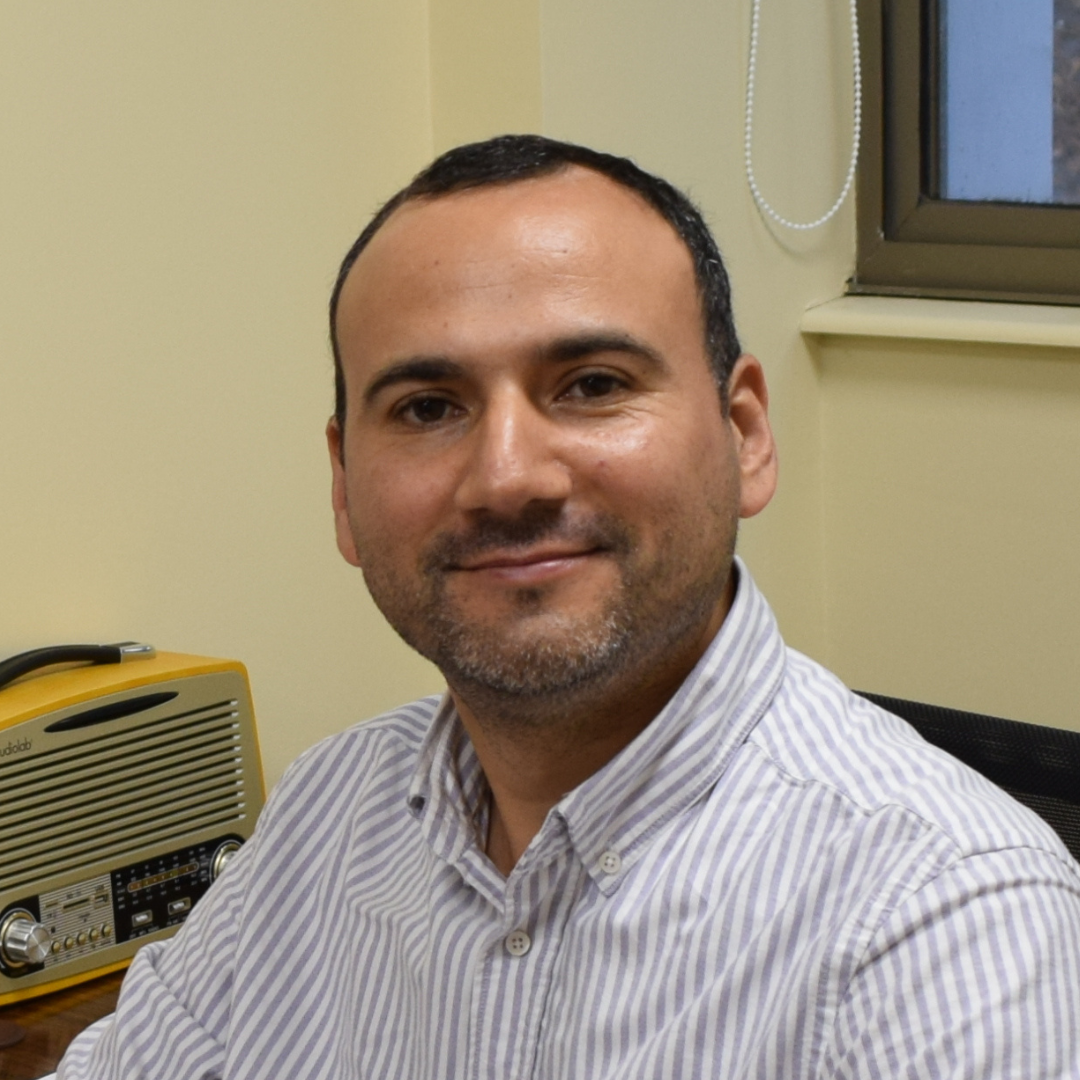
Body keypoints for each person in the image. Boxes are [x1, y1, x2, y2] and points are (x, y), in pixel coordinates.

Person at [60, 135, 1080, 1079]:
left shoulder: (946, 921)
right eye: (427, 408)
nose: (507, 478)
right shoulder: (331, 808)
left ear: (745, 436)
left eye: (592, 385)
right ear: (342, 486)